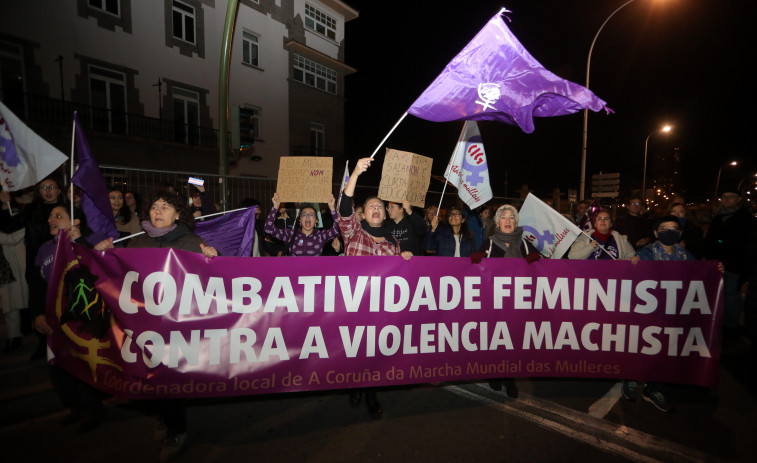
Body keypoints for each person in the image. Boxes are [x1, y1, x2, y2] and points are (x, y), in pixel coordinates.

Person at [95, 190, 217, 460]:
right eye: (154, 207)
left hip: (176, 327)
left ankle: (176, 429)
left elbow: (212, 283)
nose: (158, 211)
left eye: (165, 206)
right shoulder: (136, 242)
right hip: (141, 326)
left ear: (177, 213)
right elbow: (118, 276)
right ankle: (162, 416)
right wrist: (104, 255)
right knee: (146, 377)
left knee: (170, 380)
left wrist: (212, 258)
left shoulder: (191, 242)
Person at [338, 157, 411, 418]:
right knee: (356, 349)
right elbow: (344, 208)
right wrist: (356, 172)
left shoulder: (393, 243)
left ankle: (369, 390)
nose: (376, 208)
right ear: (364, 212)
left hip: (381, 307)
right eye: (371, 206)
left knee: (374, 351)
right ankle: (356, 385)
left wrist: (404, 261)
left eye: (380, 205)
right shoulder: (354, 233)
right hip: (356, 304)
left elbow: (399, 278)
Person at [31, 205, 106, 431]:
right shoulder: (44, 249)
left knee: (83, 367)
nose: (50, 219)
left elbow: (97, 274)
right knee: (58, 370)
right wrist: (37, 314)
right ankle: (74, 407)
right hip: (54, 323)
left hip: (82, 320)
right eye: (51, 215)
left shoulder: (84, 246)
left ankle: (91, 411)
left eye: (58, 216)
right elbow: (35, 286)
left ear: (75, 222)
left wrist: (80, 244)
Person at [624, 215, 699, 412]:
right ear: (656, 233)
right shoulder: (645, 254)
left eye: (674, 228)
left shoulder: (688, 257)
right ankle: (630, 379)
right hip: (647, 312)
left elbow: (700, 280)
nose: (669, 232)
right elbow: (631, 279)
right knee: (638, 346)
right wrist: (632, 265)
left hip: (672, 314)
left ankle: (654, 388)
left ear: (680, 233)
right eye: (664, 228)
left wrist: (715, 271)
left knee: (662, 350)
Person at [470, 204, 541, 398]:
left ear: (516, 222)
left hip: (517, 302)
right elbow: (475, 265)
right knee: (495, 338)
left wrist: (536, 260)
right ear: (497, 222)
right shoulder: (490, 242)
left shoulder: (524, 243)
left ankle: (509, 379)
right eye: (503, 217)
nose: (508, 221)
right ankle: (493, 373)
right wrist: (475, 260)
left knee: (512, 340)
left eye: (511, 218)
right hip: (494, 301)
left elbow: (541, 267)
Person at [0, 176, 65, 359]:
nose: (48, 190)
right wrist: (6, 205)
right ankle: (43, 343)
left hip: (63, 262)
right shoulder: (32, 210)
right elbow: (10, 226)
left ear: (59, 190)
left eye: (53, 186)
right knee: (40, 305)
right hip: (38, 264)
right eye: (44, 187)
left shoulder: (68, 210)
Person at [705, 189, 757, 340]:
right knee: (715, 294)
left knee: (730, 295)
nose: (726, 200)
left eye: (731, 197)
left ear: (739, 199)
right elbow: (710, 239)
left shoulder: (747, 219)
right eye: (724, 197)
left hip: (734, 265)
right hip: (715, 263)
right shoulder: (718, 217)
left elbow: (748, 245)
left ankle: (730, 326)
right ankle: (717, 322)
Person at [263, 193, 339, 256]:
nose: (308, 217)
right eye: (304, 215)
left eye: (311, 215)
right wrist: (275, 207)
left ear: (316, 220)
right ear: (300, 220)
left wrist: (332, 208)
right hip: (295, 273)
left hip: (315, 274)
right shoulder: (291, 234)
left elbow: (338, 228)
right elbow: (268, 229)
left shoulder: (321, 235)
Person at [568, 209, 635, 260]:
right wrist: (590, 247)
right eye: (599, 219)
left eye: (606, 219)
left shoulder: (622, 240)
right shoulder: (584, 238)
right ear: (595, 224)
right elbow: (572, 257)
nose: (602, 221)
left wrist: (624, 262)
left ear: (611, 223)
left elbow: (632, 258)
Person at [0, 227, 27, 352]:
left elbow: (13, 238)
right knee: (8, 305)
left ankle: (14, 336)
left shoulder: (16, 221)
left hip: (11, 269)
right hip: (6, 270)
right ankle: (13, 336)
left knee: (11, 304)